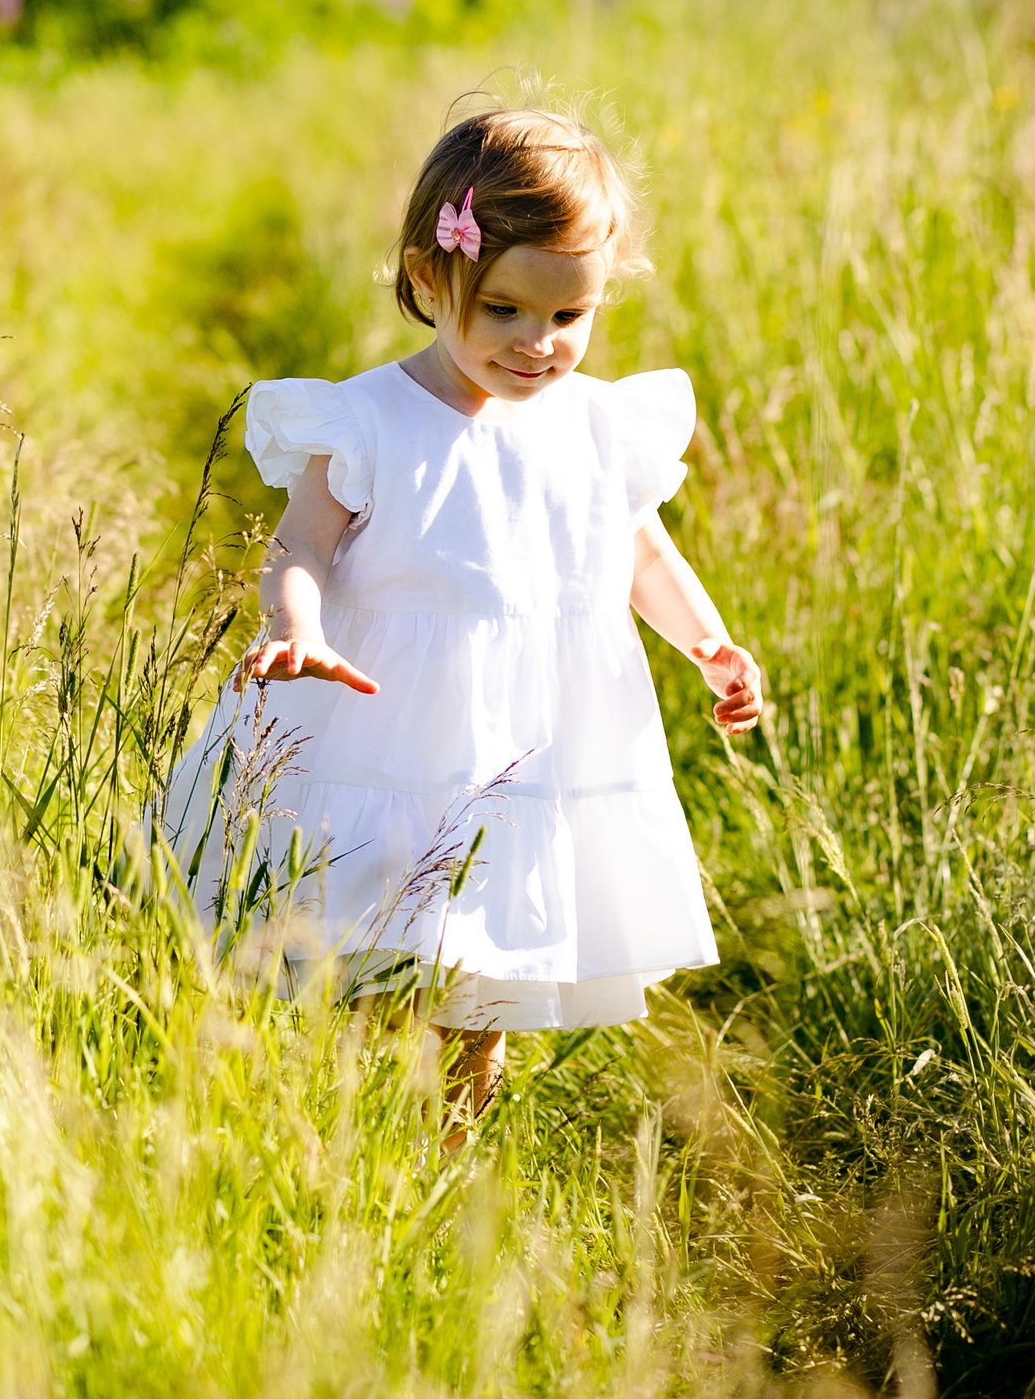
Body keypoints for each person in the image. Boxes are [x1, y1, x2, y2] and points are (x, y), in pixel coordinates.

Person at [153, 105, 764, 1150]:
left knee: (486, 979)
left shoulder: (595, 427)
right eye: (506, 312)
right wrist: (298, 628)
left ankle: (443, 1158)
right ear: (432, 279)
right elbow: (298, 547)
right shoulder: (367, 422)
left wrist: (706, 643)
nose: (538, 345)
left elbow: (640, 553)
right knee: (373, 964)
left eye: (568, 319)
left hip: (524, 755)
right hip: (388, 734)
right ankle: (342, 1145)